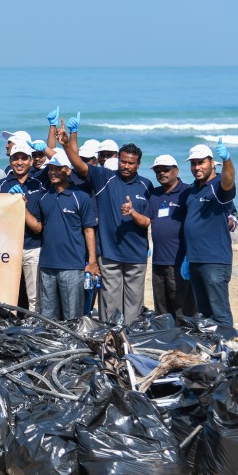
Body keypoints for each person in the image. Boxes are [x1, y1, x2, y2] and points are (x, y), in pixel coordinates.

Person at [62, 115, 152, 325]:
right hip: (109, 255)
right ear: (118, 159)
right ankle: (110, 344)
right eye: (123, 161)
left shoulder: (147, 186)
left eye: (131, 163)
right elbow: (80, 166)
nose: (126, 166)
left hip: (136, 255)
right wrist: (66, 145)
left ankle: (130, 344)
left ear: (138, 164)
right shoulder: (105, 177)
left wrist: (133, 214)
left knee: (133, 308)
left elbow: (147, 221)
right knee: (109, 309)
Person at [24, 152, 98, 320]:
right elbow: (37, 227)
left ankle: (74, 346)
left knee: (72, 316)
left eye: (57, 169)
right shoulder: (43, 197)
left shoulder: (81, 197)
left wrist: (92, 261)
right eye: (50, 168)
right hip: (47, 264)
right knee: (49, 316)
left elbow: (89, 230)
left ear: (68, 171)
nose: (52, 172)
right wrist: (23, 208)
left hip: (72, 265)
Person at [174, 141, 237, 329]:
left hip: (215, 261)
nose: (196, 167)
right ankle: (212, 352)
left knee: (220, 314)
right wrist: (187, 257)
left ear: (211, 163)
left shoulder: (217, 186)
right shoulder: (193, 189)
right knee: (204, 313)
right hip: (195, 260)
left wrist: (227, 160)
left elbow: (228, 182)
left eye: (201, 162)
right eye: (193, 163)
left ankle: (227, 350)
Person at [0, 139, 47, 312]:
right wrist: (8, 204)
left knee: (35, 297)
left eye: (24, 158)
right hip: (6, 249)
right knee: (7, 295)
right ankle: (8, 330)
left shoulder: (39, 186)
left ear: (31, 161)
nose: (20, 162)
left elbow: (38, 227)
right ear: (10, 161)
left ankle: (33, 331)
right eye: (16, 158)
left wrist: (20, 206)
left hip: (32, 247)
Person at [147, 155, 197, 319]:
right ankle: (165, 339)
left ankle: (184, 340)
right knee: (161, 309)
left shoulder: (188, 192)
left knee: (182, 308)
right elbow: (147, 220)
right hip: (158, 260)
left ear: (176, 170)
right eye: (158, 171)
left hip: (179, 260)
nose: (162, 173)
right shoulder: (154, 194)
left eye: (166, 170)